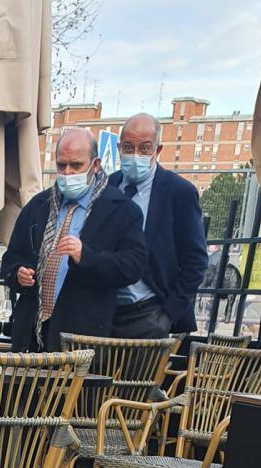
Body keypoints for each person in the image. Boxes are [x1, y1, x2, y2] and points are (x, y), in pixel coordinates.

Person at [2, 128, 147, 352]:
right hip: (31, 332)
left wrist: (85, 256)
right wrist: (17, 273)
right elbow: (12, 257)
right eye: (62, 165)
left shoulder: (123, 210)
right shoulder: (39, 205)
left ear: (95, 165)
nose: (68, 172)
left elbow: (133, 266)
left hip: (82, 334)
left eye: (76, 165)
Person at [107, 113, 208, 339]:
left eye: (144, 148)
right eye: (128, 147)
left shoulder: (178, 192)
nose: (135, 154)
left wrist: (169, 314)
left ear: (158, 150)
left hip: (150, 312)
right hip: (106, 312)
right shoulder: (106, 186)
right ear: (119, 147)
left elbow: (196, 258)